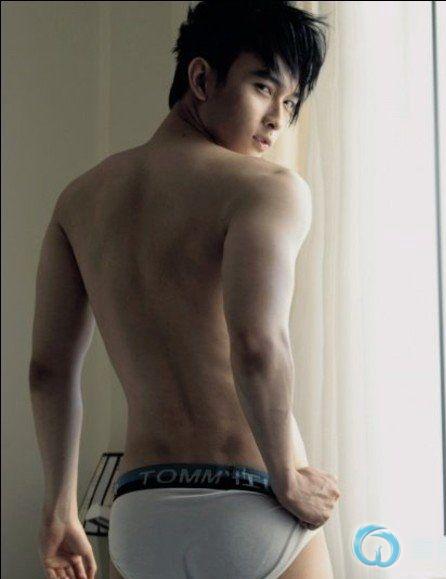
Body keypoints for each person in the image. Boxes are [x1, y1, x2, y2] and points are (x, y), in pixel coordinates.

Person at [29, 1, 341, 578]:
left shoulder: (80, 198)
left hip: (141, 513)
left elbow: (48, 371)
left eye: (290, 102)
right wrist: (287, 477)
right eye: (263, 86)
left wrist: (60, 508)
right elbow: (257, 343)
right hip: (254, 498)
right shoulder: (268, 188)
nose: (278, 118)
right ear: (201, 78)